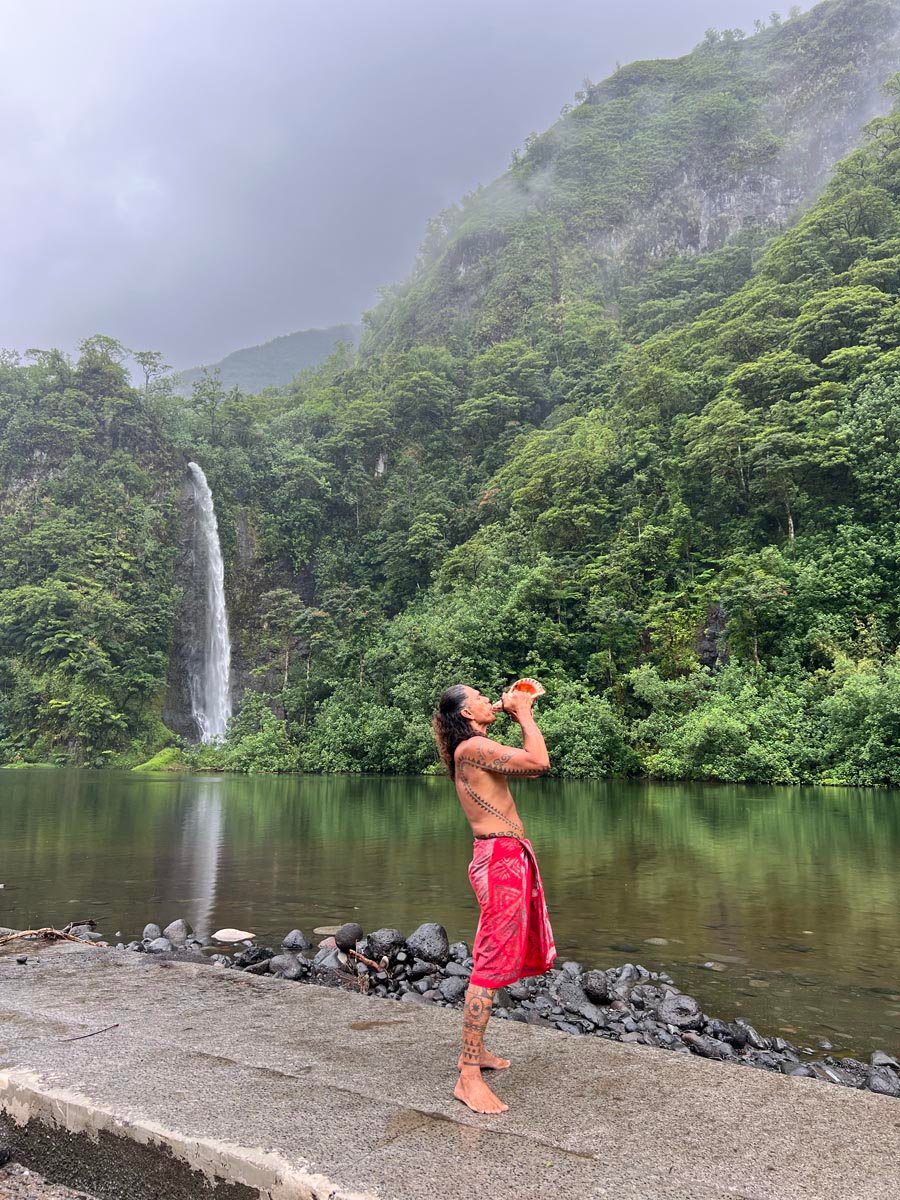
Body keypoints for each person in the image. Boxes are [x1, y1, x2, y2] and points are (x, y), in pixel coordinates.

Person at [432, 683, 556, 1114]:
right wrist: (523, 713)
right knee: (488, 963)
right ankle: (467, 1074)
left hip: (506, 854)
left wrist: (518, 708)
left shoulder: (474, 749)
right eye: (481, 698)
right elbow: (539, 762)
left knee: (495, 957)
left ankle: (477, 1052)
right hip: (499, 858)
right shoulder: (473, 748)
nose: (490, 701)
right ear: (467, 714)